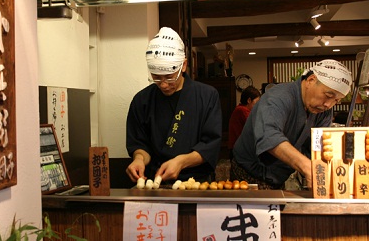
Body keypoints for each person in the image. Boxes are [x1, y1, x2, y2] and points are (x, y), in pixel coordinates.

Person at [231, 59, 352, 189]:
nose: (329, 104)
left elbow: (318, 144)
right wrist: (306, 166)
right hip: (249, 171)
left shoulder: (323, 110)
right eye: (328, 95)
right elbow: (269, 136)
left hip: (279, 176)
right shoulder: (278, 97)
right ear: (311, 80)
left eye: (336, 100)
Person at [126, 27, 222, 184]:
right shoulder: (141, 100)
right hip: (154, 182)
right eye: (156, 78)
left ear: (183, 66)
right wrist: (139, 159)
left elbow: (210, 145)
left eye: (169, 78)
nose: (163, 85)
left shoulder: (207, 96)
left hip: (195, 183)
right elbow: (140, 144)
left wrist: (182, 161)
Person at [228, 86, 261, 159]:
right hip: (238, 150)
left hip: (237, 149)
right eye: (256, 103)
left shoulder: (239, 109)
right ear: (249, 100)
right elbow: (256, 126)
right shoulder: (242, 110)